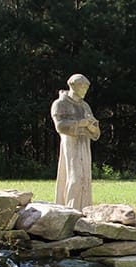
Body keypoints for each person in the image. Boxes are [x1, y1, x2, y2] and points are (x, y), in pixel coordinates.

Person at [51, 73, 101, 211]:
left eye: (86, 87)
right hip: (70, 144)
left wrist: (91, 127)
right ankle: (70, 211)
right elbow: (60, 126)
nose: (84, 90)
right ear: (72, 85)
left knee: (85, 179)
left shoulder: (85, 106)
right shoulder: (60, 104)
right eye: (82, 87)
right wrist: (80, 123)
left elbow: (96, 131)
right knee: (75, 178)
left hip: (85, 145)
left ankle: (84, 210)